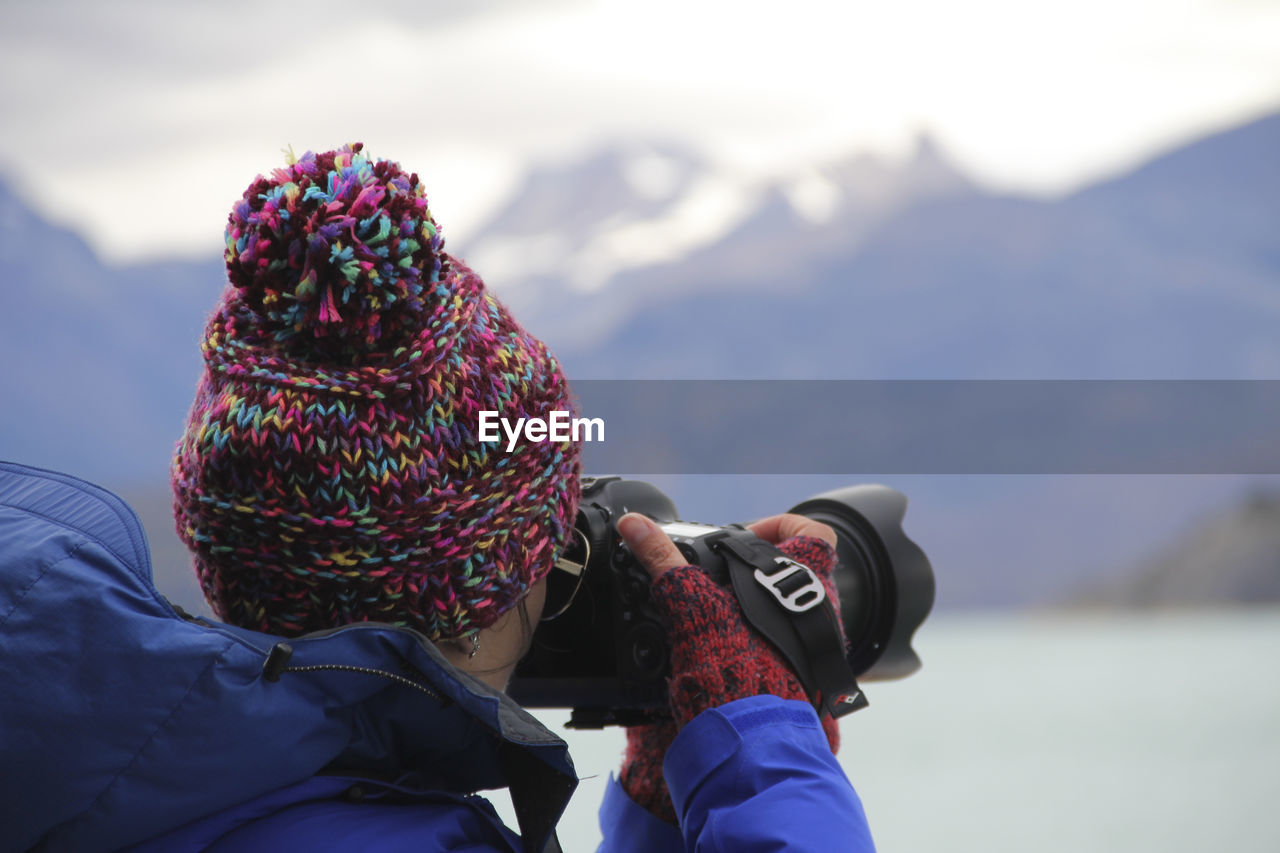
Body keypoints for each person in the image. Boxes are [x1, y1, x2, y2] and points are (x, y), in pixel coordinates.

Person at [0, 144, 874, 852]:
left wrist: (660, 802)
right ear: (476, 597)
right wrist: (757, 751)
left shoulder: (129, 779)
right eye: (554, 536)